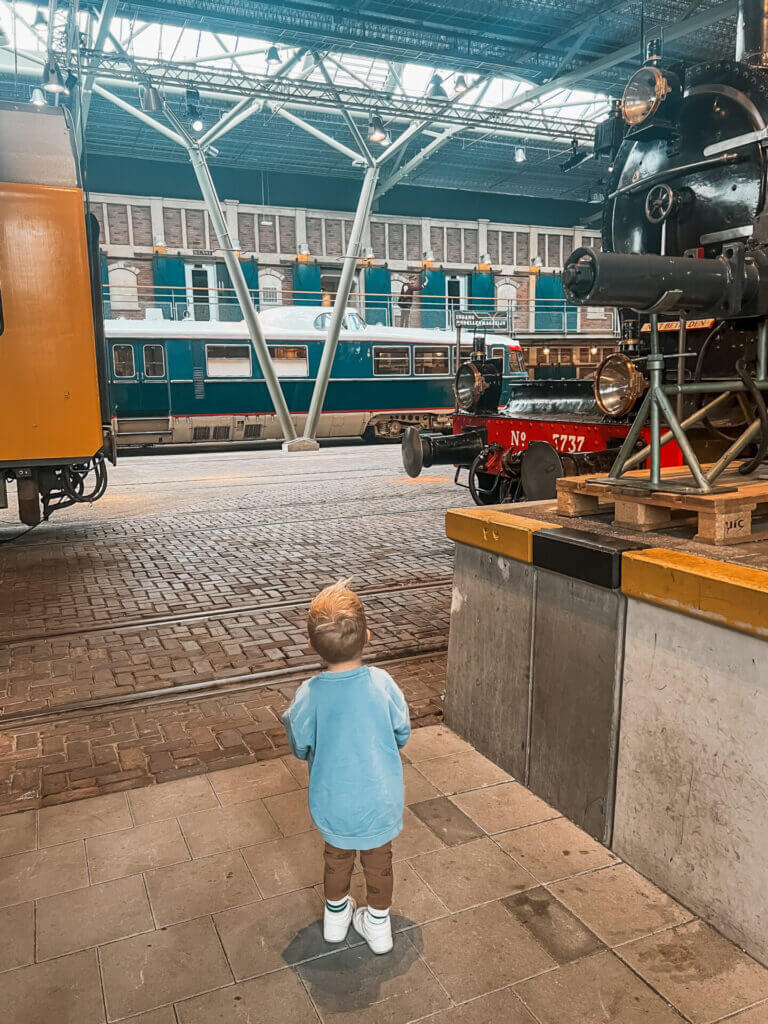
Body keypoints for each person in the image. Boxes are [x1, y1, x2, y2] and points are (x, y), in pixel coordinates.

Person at [282, 580, 410, 955]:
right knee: (379, 861)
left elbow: (299, 743)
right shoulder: (383, 684)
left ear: (311, 648)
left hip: (334, 799)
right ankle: (379, 924)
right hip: (380, 798)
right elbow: (401, 732)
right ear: (368, 637)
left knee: (336, 857)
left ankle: (336, 919)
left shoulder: (310, 693)